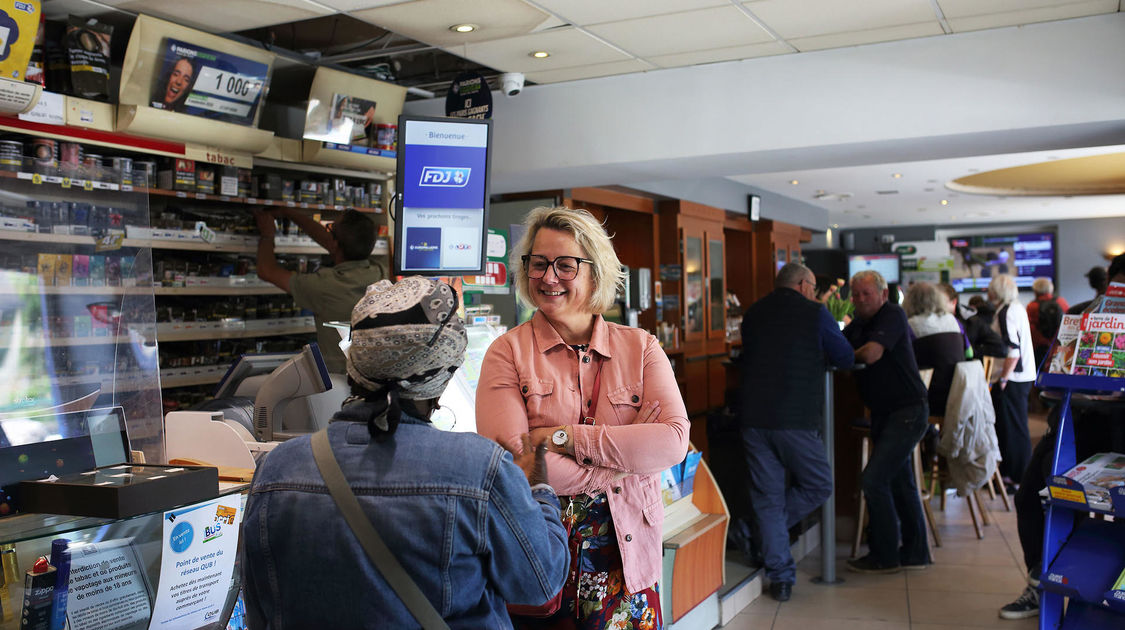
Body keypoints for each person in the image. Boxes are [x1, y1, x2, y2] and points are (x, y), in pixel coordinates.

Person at [241, 277, 569, 628]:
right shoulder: (480, 469)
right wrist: (538, 490)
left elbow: (259, 606)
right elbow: (539, 582)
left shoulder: (277, 468)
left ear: (356, 365)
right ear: (440, 380)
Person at [476, 206, 688, 628]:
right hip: (541, 563)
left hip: (628, 565)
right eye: (538, 264)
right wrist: (621, 465)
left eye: (565, 265)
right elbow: (516, 466)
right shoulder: (507, 352)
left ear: (596, 272)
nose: (548, 277)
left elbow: (672, 442)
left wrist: (559, 438)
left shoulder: (641, 348)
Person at [1000, 254, 1125, 620]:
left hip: (1117, 434)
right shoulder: (1082, 315)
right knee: (1031, 499)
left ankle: (1104, 597)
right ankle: (1041, 584)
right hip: (1074, 427)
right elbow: (1050, 375)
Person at [739, 263, 854, 601]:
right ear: (804, 285)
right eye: (815, 287)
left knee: (768, 499)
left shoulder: (754, 313)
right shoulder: (815, 314)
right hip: (796, 419)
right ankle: (760, 532)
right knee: (819, 484)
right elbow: (844, 358)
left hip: (754, 419)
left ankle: (781, 578)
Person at [843, 270, 932, 574]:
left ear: (882, 294)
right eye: (856, 294)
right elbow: (838, 346)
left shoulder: (892, 314)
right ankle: (916, 552)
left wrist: (847, 356)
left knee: (874, 480)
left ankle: (885, 554)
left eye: (866, 293)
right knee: (900, 481)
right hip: (886, 412)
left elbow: (871, 354)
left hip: (907, 410)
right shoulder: (860, 323)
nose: (860, 300)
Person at [255, 207, 386, 374]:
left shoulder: (325, 285)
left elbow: (266, 270)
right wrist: (290, 213)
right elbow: (334, 243)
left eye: (331, 229)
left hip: (337, 381)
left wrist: (267, 235)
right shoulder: (379, 272)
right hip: (371, 376)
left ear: (335, 243)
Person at [988, 274, 1036, 488]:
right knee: (1017, 426)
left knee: (1011, 428)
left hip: (1012, 377)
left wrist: (1003, 378)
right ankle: (1019, 474)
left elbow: (1012, 350)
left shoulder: (1005, 313)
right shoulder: (1017, 308)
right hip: (1023, 376)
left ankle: (1013, 476)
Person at [904, 282, 966, 416]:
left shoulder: (911, 325)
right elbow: (969, 352)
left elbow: (904, 360)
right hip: (959, 395)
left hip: (931, 399)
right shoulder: (953, 320)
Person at [1026, 277, 1068, 368]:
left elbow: (1030, 329)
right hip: (1059, 346)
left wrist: (1045, 343)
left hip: (1039, 349)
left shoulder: (1032, 306)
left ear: (1035, 290)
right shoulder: (1061, 302)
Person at [965, 296, 1008, 361]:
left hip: (981, 360)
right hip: (997, 359)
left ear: (972, 307)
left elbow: (969, 343)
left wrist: (975, 351)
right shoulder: (993, 313)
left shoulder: (975, 320)